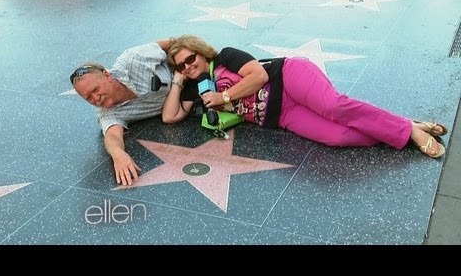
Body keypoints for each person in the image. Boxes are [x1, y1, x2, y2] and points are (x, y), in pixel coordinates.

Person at [162, 35, 448, 158]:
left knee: (335, 107)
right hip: (282, 116)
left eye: (190, 59)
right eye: (181, 66)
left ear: (200, 51)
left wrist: (223, 98)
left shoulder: (225, 56)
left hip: (288, 78)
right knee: (338, 138)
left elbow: (259, 76)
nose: (188, 66)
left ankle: (406, 129)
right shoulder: (194, 87)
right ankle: (407, 129)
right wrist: (178, 81)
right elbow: (170, 116)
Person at [70, 39, 175, 186]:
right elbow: (112, 135)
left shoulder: (132, 60)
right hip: (186, 100)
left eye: (96, 90)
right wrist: (118, 155)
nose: (96, 98)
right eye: (88, 98)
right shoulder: (106, 111)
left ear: (107, 75)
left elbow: (172, 43)